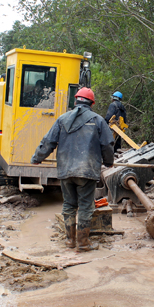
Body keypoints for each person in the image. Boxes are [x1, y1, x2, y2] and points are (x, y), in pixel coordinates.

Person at [31, 87, 115, 252]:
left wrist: (37, 158)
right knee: (85, 205)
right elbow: (107, 144)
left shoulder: (62, 119)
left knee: (69, 204)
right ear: (92, 103)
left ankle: (70, 241)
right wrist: (109, 162)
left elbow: (48, 141)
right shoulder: (98, 121)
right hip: (87, 171)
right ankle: (83, 243)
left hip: (66, 170)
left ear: (76, 101)